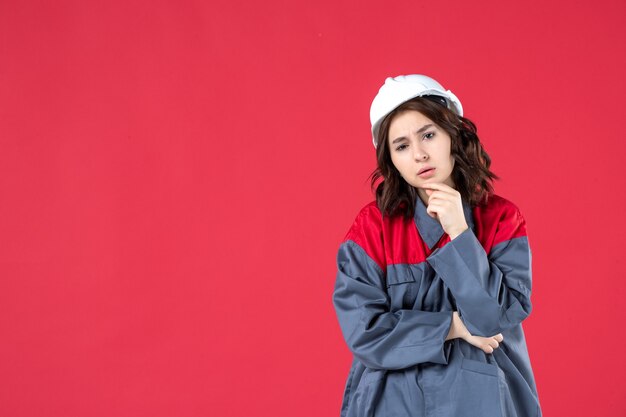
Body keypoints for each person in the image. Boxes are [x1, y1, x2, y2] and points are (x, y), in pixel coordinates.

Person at [332, 74, 542, 417]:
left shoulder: (502, 218)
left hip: (484, 399)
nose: (418, 154)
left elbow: (497, 318)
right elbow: (365, 332)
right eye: (401, 146)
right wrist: (452, 326)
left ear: (452, 135)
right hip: (391, 401)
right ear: (391, 160)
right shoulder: (372, 229)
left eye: (428, 135)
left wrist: (460, 234)